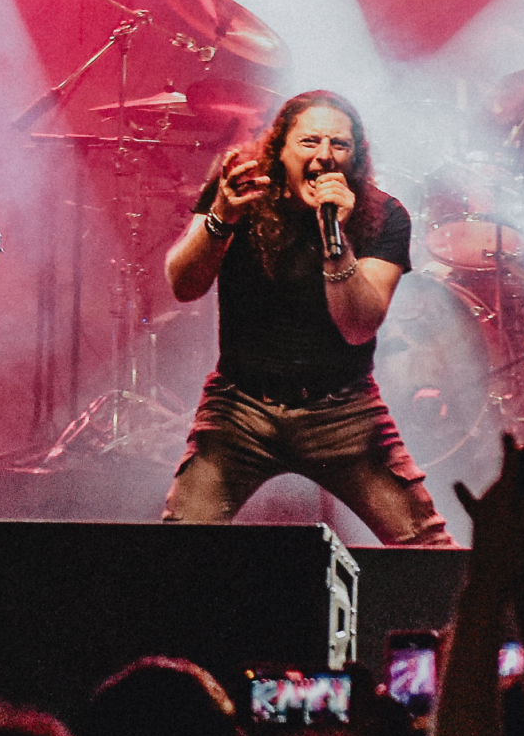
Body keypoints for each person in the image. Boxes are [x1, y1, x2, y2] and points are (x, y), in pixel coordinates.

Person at [160, 88, 451, 544]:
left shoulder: (383, 215)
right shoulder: (240, 190)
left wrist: (336, 237)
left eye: (340, 145)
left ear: (356, 158)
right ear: (280, 149)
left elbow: (357, 327)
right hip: (240, 408)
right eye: (309, 141)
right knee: (178, 550)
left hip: (343, 412)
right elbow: (183, 285)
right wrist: (220, 218)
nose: (324, 156)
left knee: (427, 548)